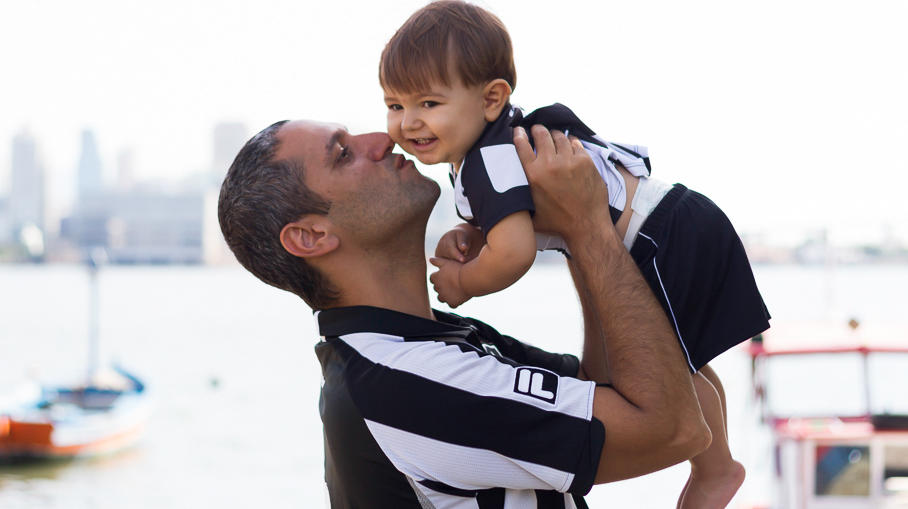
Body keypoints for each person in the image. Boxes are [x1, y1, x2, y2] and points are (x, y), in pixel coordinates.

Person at [379, 0, 771, 509]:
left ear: (492, 98)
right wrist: (472, 234)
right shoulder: (487, 150)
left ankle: (716, 470)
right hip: (671, 219)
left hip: (660, 233)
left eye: (428, 104)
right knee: (679, 360)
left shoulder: (486, 161)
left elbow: (516, 251)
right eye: (394, 105)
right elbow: (516, 218)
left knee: (666, 368)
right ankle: (717, 466)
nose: (408, 122)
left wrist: (466, 282)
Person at [218, 118, 710, 508]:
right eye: (343, 153)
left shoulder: (417, 347)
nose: (384, 137)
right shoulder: (401, 387)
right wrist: (587, 227)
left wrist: (568, 226)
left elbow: (601, 388)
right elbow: (672, 431)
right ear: (311, 236)